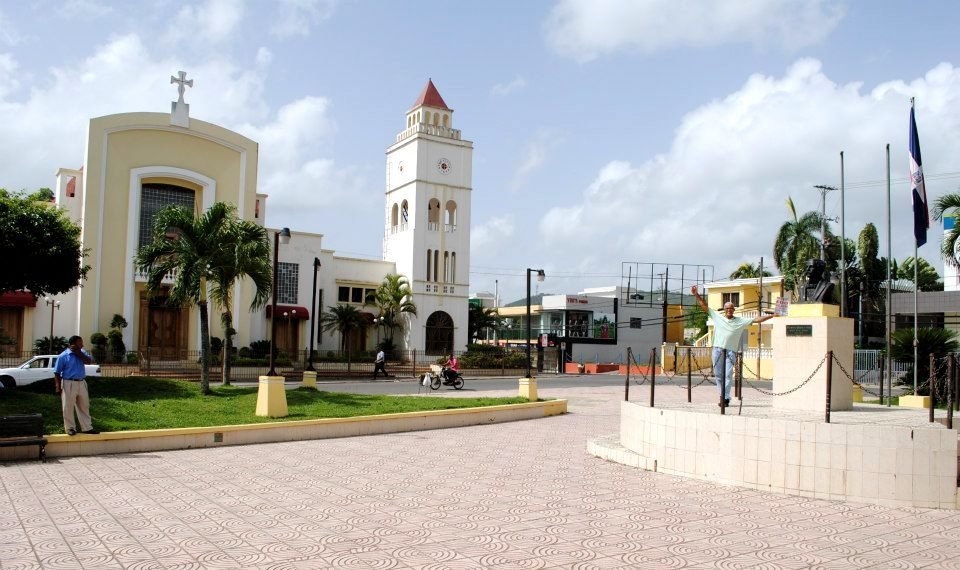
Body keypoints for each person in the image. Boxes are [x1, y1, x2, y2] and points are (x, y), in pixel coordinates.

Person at [691, 285, 776, 406]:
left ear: (733, 310)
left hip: (730, 351)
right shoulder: (718, 317)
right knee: (719, 375)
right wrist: (696, 295)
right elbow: (704, 306)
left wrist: (773, 315)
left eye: (731, 308)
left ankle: (725, 398)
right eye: (727, 308)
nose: (729, 310)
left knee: (728, 375)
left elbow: (758, 319)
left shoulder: (740, 321)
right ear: (724, 310)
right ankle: (722, 396)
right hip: (717, 350)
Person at [53, 335, 99, 435]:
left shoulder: (82, 353)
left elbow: (88, 361)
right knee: (68, 406)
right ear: (72, 344)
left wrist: (78, 353)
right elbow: (56, 372)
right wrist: (57, 386)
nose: (82, 345)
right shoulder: (63, 356)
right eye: (79, 343)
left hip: (81, 382)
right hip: (69, 382)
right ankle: (70, 428)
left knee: (84, 405)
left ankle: (87, 427)